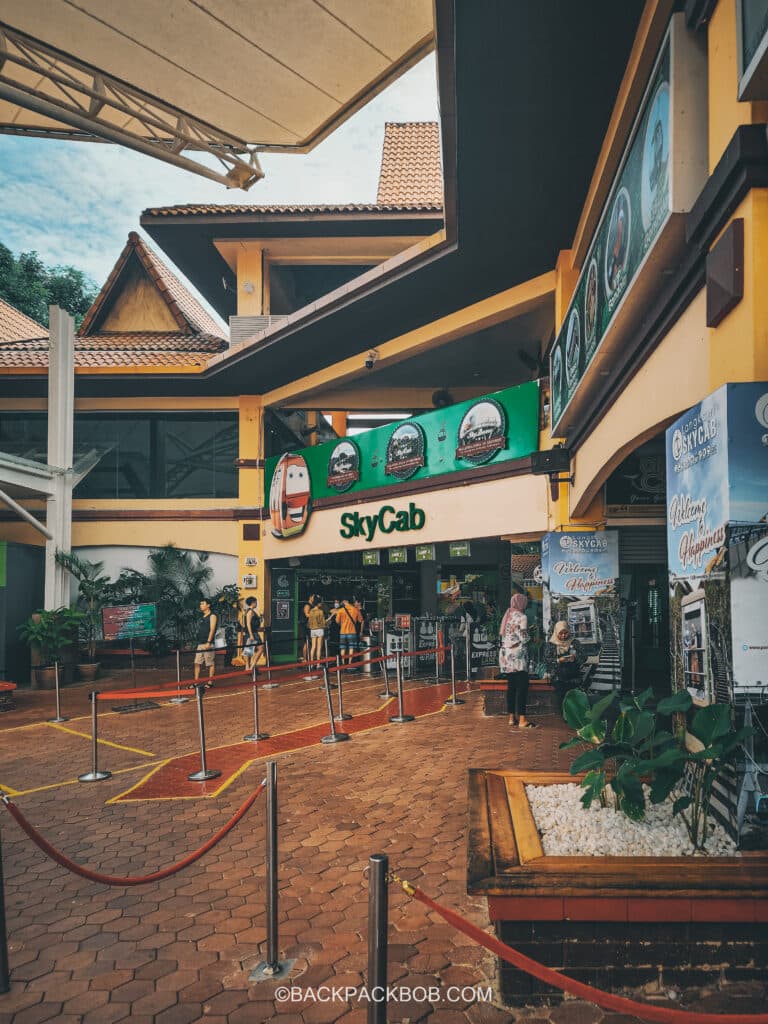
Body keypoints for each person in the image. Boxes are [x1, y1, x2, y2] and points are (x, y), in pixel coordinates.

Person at [499, 592, 534, 728]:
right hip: (518, 656)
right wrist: (528, 635)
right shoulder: (522, 616)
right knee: (522, 687)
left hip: (506, 655)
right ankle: (522, 720)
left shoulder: (508, 615)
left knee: (511, 687)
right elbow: (523, 637)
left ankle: (511, 718)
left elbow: (505, 635)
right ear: (522, 603)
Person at [545, 620, 586, 707]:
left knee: (573, 702)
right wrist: (559, 660)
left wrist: (575, 657)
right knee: (560, 701)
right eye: (560, 633)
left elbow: (584, 657)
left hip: (573, 678)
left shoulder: (575, 642)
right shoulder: (551, 644)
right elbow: (547, 660)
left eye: (566, 633)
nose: (563, 636)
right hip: (558, 678)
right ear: (556, 632)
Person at [332, 596, 363, 668]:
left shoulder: (341, 610)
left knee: (343, 648)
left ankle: (342, 663)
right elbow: (360, 620)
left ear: (345, 601)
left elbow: (337, 621)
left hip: (342, 632)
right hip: (352, 632)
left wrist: (342, 623)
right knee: (351, 648)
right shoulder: (355, 610)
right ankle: (349, 663)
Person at [194, 597, 218, 681]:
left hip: (208, 643)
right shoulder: (203, 616)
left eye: (202, 604)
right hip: (200, 643)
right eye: (200, 604)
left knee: (210, 663)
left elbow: (212, 629)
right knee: (197, 663)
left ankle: (210, 682)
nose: (201, 605)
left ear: (208, 605)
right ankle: (196, 682)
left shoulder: (212, 615)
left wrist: (209, 642)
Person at [242, 596, 263, 672]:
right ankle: (251, 666)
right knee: (260, 649)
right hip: (252, 633)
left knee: (249, 650)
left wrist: (261, 616)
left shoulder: (250, 611)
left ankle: (247, 667)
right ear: (253, 602)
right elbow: (248, 624)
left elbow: (257, 622)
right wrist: (251, 635)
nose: (256, 604)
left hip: (251, 632)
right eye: (256, 602)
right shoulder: (250, 611)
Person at [307, 594, 326, 670]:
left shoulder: (311, 611)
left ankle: (311, 663)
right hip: (319, 630)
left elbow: (309, 622)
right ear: (318, 603)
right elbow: (323, 623)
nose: (321, 604)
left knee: (313, 647)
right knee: (319, 647)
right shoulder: (320, 611)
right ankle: (318, 664)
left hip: (312, 630)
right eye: (320, 603)